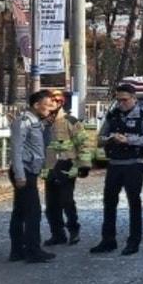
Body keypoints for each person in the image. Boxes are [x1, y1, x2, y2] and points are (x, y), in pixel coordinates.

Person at [91, 82, 143, 256]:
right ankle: (108, 240)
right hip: (114, 164)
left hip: (134, 164)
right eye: (118, 100)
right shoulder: (113, 115)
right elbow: (100, 139)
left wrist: (128, 140)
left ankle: (133, 241)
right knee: (109, 203)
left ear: (134, 99)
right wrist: (110, 138)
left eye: (124, 100)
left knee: (134, 203)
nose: (121, 104)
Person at [9, 90, 56, 263]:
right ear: (36, 105)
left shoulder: (36, 122)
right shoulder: (23, 122)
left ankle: (17, 251)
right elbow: (16, 149)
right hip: (24, 171)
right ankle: (33, 251)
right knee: (33, 212)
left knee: (20, 211)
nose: (50, 107)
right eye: (47, 103)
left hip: (30, 171)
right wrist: (20, 175)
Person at [43, 89, 93, 246]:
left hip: (66, 166)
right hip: (49, 168)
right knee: (51, 205)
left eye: (51, 103)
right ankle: (57, 234)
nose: (48, 106)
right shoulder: (43, 123)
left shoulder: (70, 121)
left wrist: (84, 165)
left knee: (67, 201)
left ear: (60, 103)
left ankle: (73, 230)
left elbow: (83, 143)